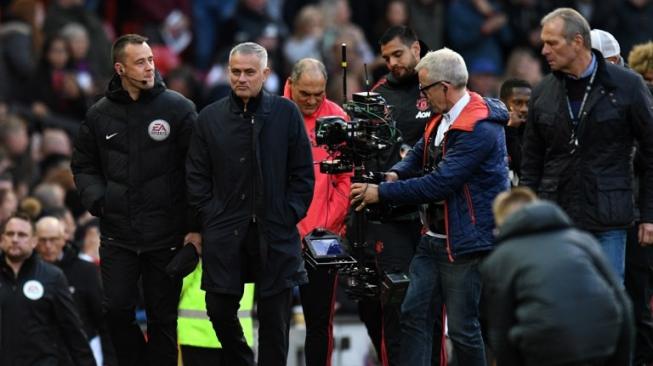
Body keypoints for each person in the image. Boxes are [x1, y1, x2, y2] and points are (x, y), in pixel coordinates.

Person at [351, 47, 509, 366]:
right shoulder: (442, 119)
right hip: (434, 237)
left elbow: (439, 183)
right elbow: (417, 156)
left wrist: (382, 192)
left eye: (423, 89)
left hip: (465, 243)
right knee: (413, 314)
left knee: (463, 329)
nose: (421, 97)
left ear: (444, 88)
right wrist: (394, 173)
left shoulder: (479, 128)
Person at [71, 34, 200, 366]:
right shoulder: (99, 114)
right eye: (140, 62)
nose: (149, 67)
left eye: (151, 60)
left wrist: (194, 228)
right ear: (120, 68)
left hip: (165, 235)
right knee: (116, 310)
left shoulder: (179, 109)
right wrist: (100, 201)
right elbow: (84, 164)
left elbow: (199, 170)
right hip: (119, 235)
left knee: (162, 320)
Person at [186, 42, 314, 366]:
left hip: (276, 233)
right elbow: (196, 176)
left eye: (249, 72)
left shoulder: (286, 113)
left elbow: (302, 173)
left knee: (275, 326)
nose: (241, 78)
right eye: (236, 72)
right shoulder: (210, 118)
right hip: (225, 234)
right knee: (217, 308)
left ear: (266, 74)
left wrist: (288, 214)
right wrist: (211, 217)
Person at [520, 8, 653, 281]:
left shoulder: (628, 85)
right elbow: (531, 162)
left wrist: (649, 215)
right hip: (555, 217)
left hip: (608, 216)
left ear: (578, 42)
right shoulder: (542, 91)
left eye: (552, 42)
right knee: (561, 302)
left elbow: (651, 152)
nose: (543, 50)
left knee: (605, 303)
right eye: (543, 42)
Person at [481, 190, 634, 366]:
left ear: (501, 222)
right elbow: (623, 305)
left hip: (544, 347)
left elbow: (501, 330)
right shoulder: (582, 241)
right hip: (602, 341)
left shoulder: (500, 258)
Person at [358, 25, 430, 365]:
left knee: (431, 310)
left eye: (398, 54)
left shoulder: (439, 85)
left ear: (416, 48)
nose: (392, 63)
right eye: (386, 57)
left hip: (436, 214)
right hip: (392, 216)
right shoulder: (377, 95)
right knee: (394, 309)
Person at [283, 58, 350, 366]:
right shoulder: (273, 114)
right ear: (291, 84)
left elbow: (345, 180)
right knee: (276, 320)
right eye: (305, 93)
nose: (311, 101)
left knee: (320, 321)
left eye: (318, 94)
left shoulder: (337, 116)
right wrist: (291, 225)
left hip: (326, 234)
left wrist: (324, 226)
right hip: (283, 233)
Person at [0, 213, 96, 365]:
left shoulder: (52, 277)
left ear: (33, 241)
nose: (15, 239)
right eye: (10, 234)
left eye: (22, 235)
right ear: (2, 240)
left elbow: (72, 330)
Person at [35, 215, 115, 366]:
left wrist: (110, 360)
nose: (48, 245)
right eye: (43, 240)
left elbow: (104, 320)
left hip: (81, 352)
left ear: (64, 238)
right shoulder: (26, 273)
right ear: (34, 241)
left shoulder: (86, 271)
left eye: (53, 239)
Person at [178, 263, 255, 366]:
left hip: (197, 335)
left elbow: (176, 286)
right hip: (238, 336)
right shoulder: (246, 251)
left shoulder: (202, 250)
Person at [498, 78, 531, 184]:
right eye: (518, 103)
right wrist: (510, 130)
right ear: (502, 103)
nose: (524, 109)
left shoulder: (537, 133)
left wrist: (511, 130)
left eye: (528, 103)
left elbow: (525, 170)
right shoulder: (490, 130)